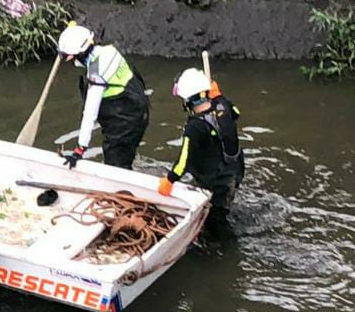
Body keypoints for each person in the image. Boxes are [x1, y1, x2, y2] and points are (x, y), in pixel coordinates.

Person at [158, 68, 245, 238]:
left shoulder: (194, 128)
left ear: (187, 101)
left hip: (217, 181)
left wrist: (169, 180)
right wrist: (219, 97)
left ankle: (226, 247)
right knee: (223, 205)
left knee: (215, 222)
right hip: (235, 169)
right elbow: (236, 113)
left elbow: (184, 161)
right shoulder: (223, 106)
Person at [56, 23, 150, 170]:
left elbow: (90, 112)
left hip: (125, 120)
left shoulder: (95, 72)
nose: (67, 60)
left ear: (78, 54)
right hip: (138, 108)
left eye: (67, 56)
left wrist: (80, 148)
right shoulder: (108, 51)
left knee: (116, 166)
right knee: (125, 156)